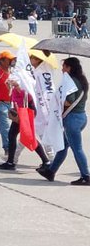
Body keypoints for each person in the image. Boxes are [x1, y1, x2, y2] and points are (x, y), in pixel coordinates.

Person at [38, 57, 89, 185]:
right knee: (62, 146)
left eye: (64, 66)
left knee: (77, 148)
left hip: (72, 119)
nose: (62, 69)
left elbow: (68, 101)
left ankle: (86, 176)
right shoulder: (81, 80)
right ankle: (50, 171)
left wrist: (57, 102)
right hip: (81, 117)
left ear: (69, 68)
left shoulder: (71, 82)